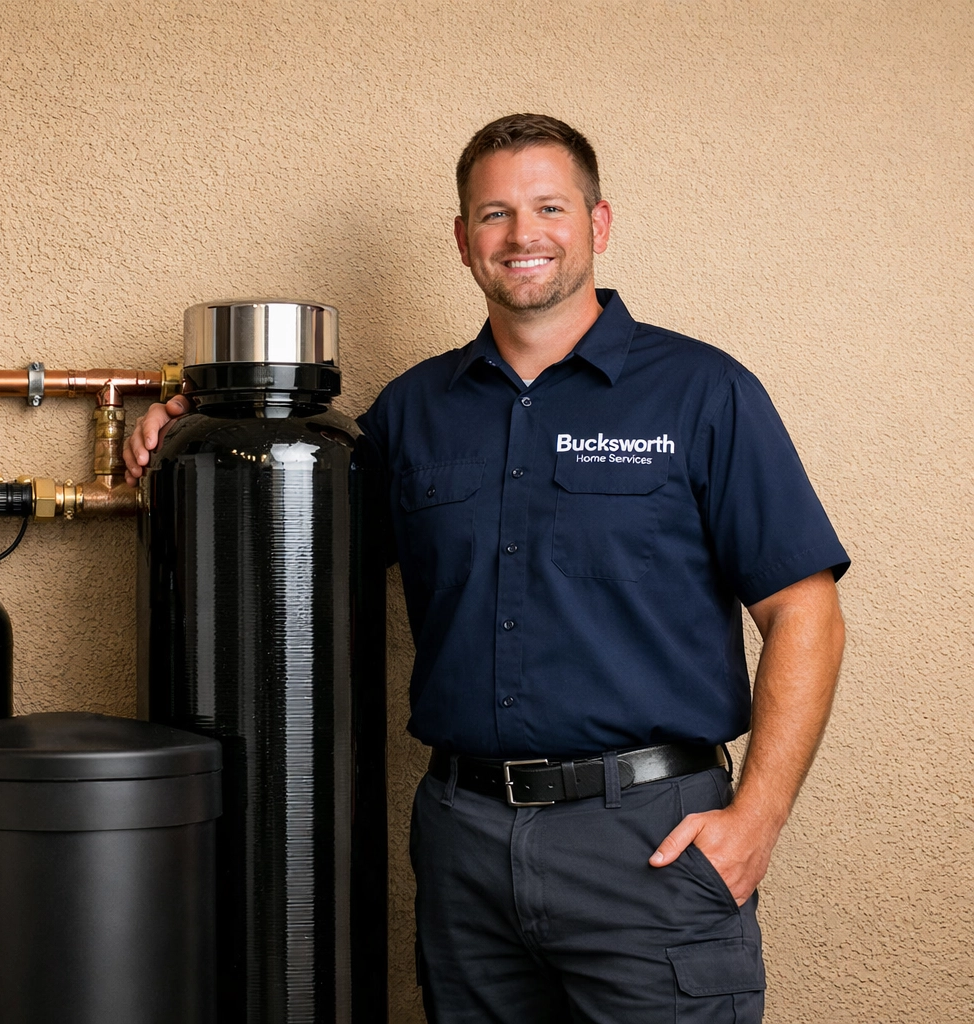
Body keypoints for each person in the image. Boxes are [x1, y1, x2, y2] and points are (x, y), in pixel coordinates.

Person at [124, 113, 848, 1023]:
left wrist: (758, 818)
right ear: (464, 240)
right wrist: (186, 430)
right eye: (495, 213)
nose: (523, 235)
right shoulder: (410, 412)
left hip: (650, 840)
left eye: (549, 206)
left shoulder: (704, 392)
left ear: (599, 222)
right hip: (465, 845)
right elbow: (293, 548)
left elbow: (805, 613)